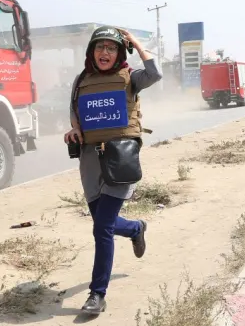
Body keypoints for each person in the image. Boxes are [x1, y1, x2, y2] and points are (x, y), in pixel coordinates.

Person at [64, 26, 162, 315]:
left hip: (120, 159)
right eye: (100, 47)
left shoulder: (131, 78)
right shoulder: (81, 79)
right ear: (91, 51)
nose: (105, 53)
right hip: (89, 161)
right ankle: (135, 228)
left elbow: (155, 73)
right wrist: (74, 129)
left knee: (101, 228)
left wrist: (135, 43)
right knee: (103, 222)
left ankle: (97, 294)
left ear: (120, 52)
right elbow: (74, 111)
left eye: (112, 48)